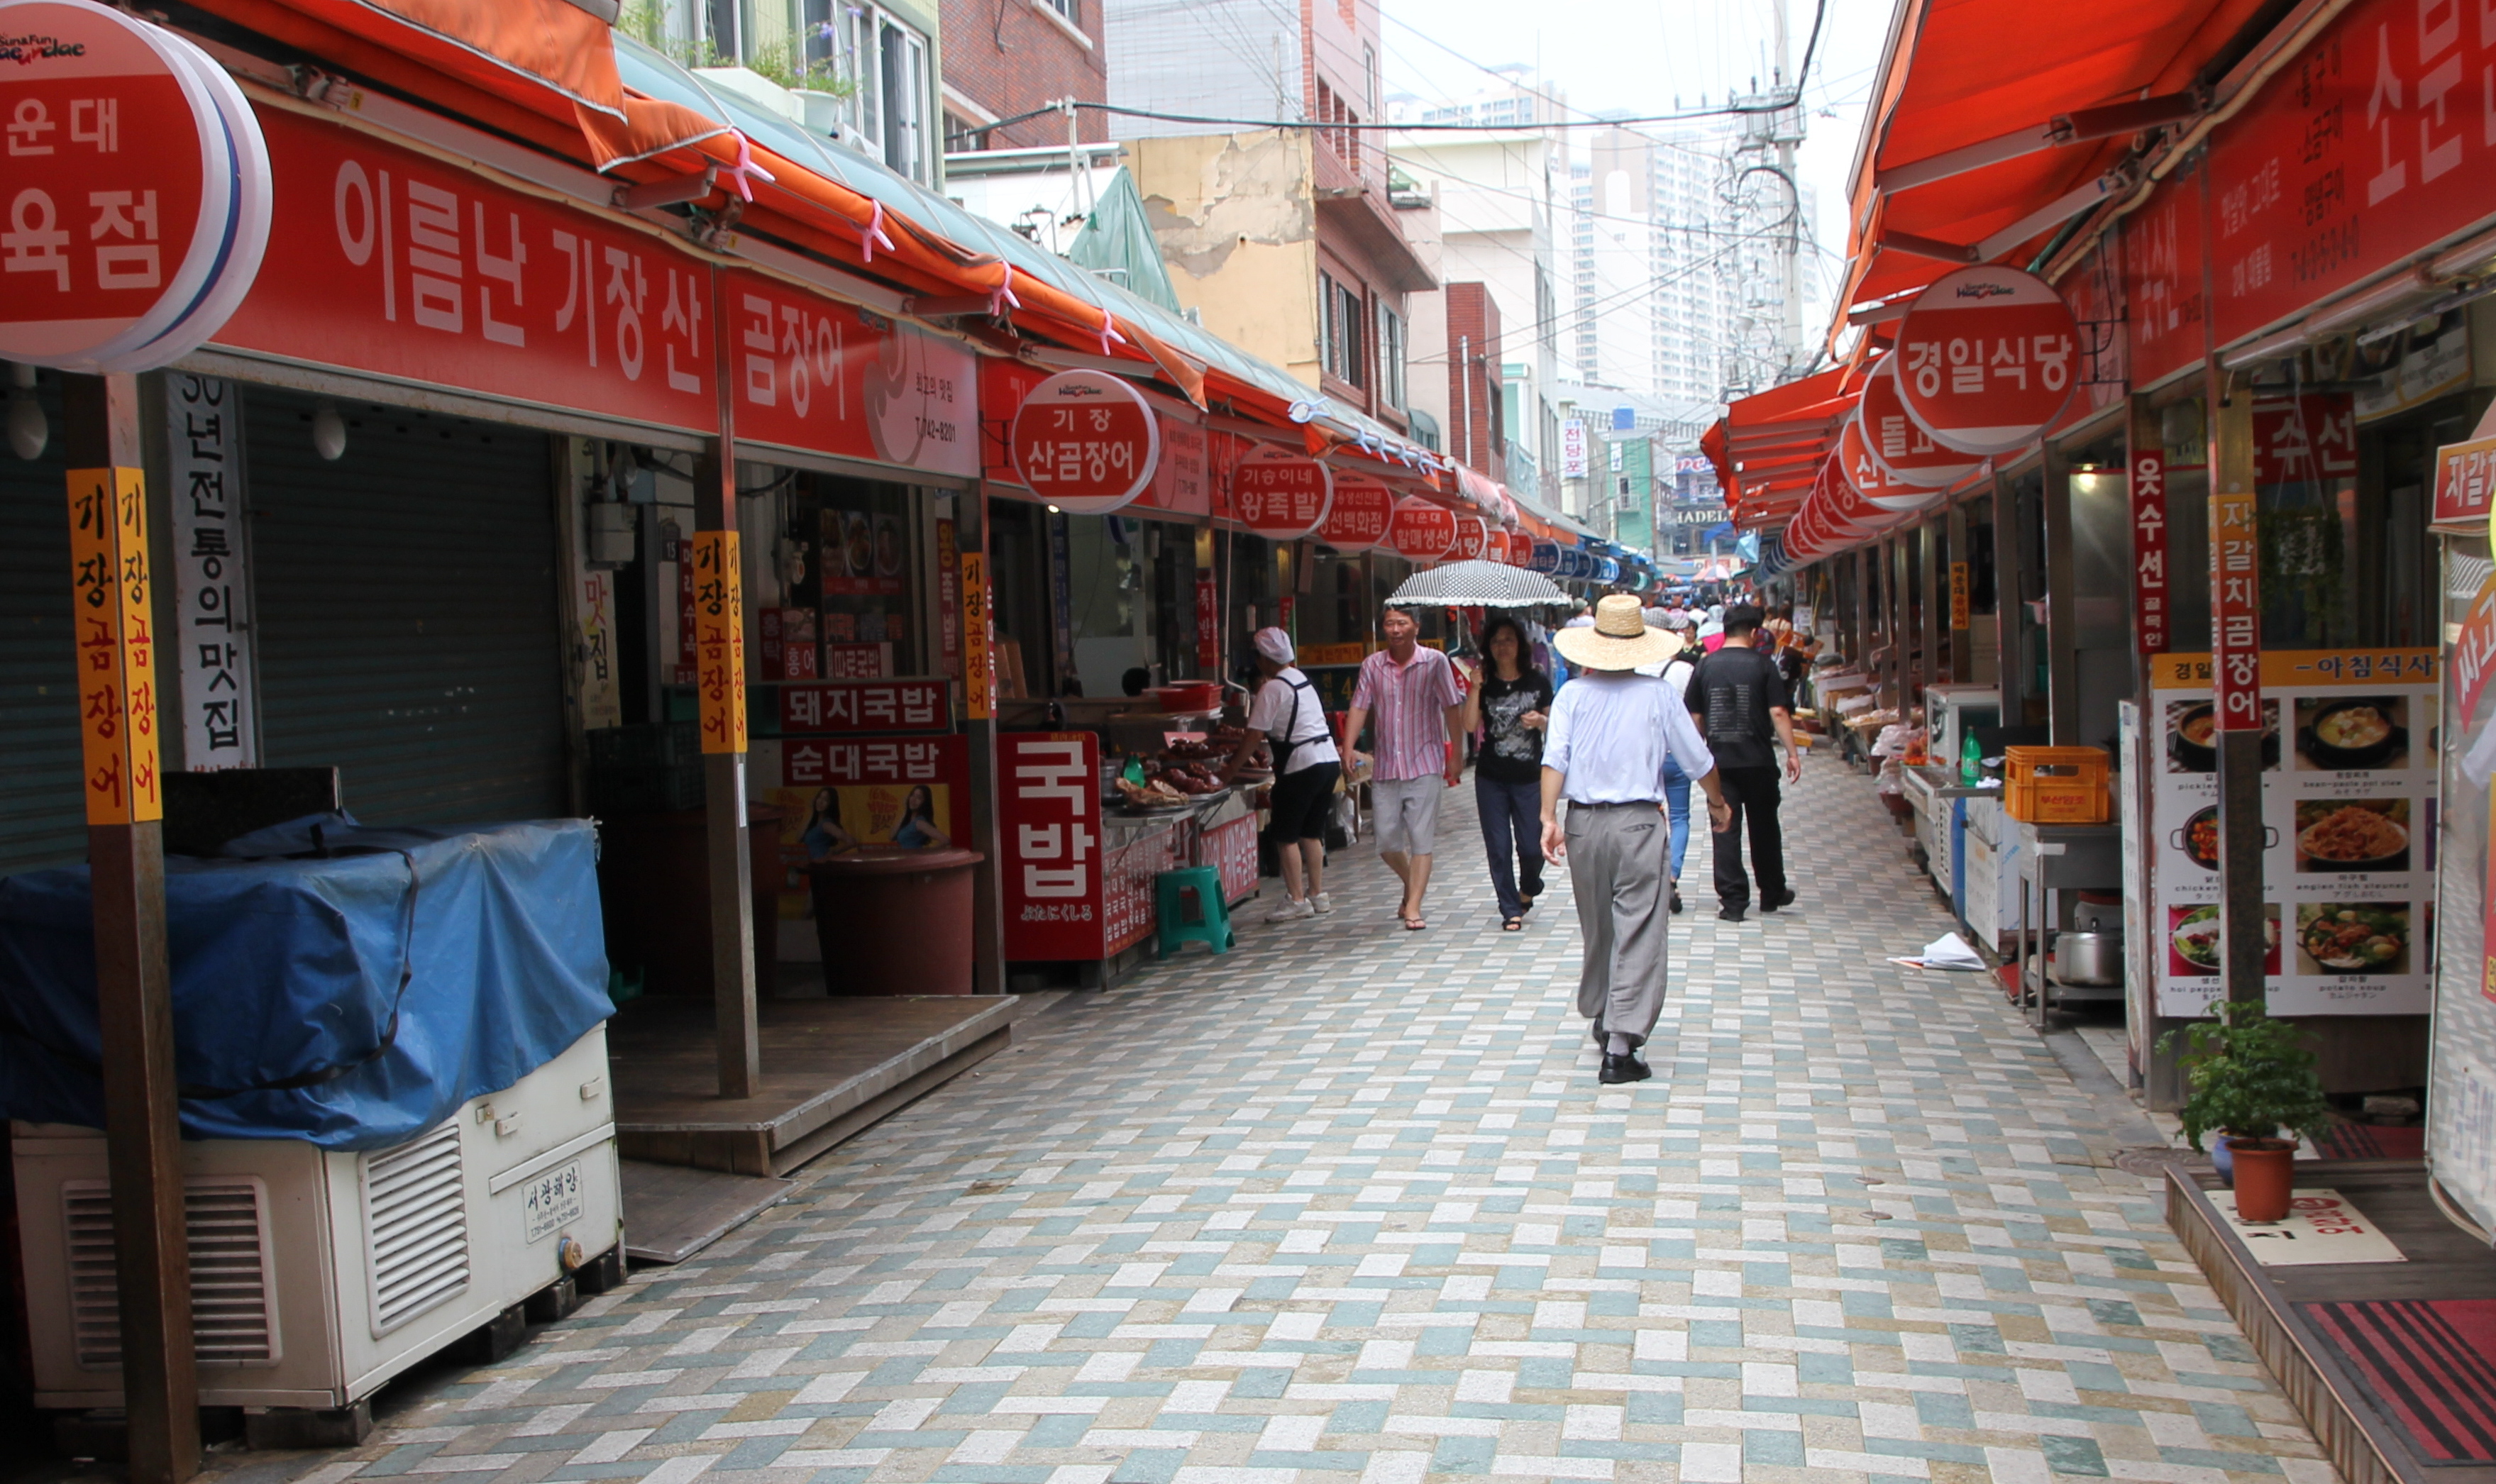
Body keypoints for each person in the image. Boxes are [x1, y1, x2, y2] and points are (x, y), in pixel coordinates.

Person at [1540, 595, 1732, 1085]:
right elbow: (1697, 759)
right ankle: (1621, 1048)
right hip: (1638, 825)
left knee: (1600, 926)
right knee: (1639, 928)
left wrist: (1548, 817)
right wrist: (1717, 802)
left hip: (1583, 824)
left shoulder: (1572, 696)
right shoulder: (1658, 695)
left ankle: (1607, 1017)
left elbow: (1554, 759)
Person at [1341, 606, 1466, 931]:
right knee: (1385, 839)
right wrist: (1348, 747)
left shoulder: (1435, 662)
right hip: (1386, 766)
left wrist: (1456, 753)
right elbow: (1359, 705)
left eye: (1402, 623)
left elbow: (1452, 707)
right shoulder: (1373, 665)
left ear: (1416, 626)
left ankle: (1413, 906)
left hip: (1425, 762)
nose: (1395, 629)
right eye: (1389, 623)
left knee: (1421, 838)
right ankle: (1412, 883)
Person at [1686, 602, 1802, 921]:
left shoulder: (1705, 666)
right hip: (1759, 760)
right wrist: (1792, 753)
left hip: (1720, 763)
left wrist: (1703, 751)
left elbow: (1694, 715)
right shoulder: (1764, 666)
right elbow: (1778, 712)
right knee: (1765, 827)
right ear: (1754, 632)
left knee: (1725, 826)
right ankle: (1771, 892)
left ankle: (1734, 902)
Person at [1222, 627, 1342, 922]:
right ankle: (1317, 895)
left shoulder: (1273, 688)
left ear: (1264, 658)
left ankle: (1297, 900)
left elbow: (1254, 735)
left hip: (1302, 764)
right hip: (1328, 760)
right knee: (1311, 832)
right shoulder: (1303, 679)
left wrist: (1230, 771)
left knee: (1286, 835)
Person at [1461, 614, 1553, 930]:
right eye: (1497, 641)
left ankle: (1529, 887)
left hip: (1529, 777)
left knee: (1531, 846)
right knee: (1498, 846)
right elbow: (1470, 726)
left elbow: (1557, 727)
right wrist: (1474, 689)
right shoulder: (1483, 680)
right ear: (1488, 645)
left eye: (1509, 640)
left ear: (1520, 645)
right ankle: (1510, 908)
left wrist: (1541, 723)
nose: (1503, 646)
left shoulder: (1537, 680)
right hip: (1491, 777)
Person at [1635, 614, 1702, 913]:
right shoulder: (1686, 670)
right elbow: (1695, 713)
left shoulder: (1633, 670)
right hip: (1676, 753)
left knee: (1643, 817)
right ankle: (1672, 876)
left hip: (1642, 755)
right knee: (1680, 817)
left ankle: (1647, 880)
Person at [802, 789, 858, 859]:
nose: (821, 802)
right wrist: (812, 812)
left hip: (823, 865)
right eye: (820, 797)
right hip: (813, 865)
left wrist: (835, 851)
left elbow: (852, 841)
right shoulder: (815, 824)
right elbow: (799, 838)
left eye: (826, 800)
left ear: (830, 804)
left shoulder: (827, 825)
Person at [889, 785, 950, 849]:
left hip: (913, 857)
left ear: (924, 802)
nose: (914, 800)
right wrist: (905, 811)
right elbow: (891, 837)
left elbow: (946, 840)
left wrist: (927, 854)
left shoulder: (920, 823)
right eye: (912, 795)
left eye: (919, 798)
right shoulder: (909, 821)